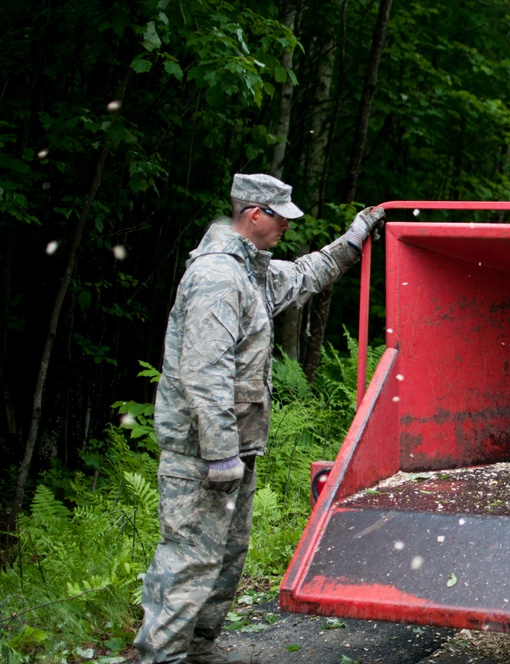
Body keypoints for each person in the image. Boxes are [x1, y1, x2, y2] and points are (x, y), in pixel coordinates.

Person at [134, 174, 384, 664]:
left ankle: (199, 651)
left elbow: (307, 275)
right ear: (254, 215)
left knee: (226, 560)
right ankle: (159, 657)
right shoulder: (217, 278)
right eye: (280, 219)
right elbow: (204, 372)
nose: (286, 228)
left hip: (233, 453)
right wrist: (220, 451)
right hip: (203, 456)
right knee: (189, 562)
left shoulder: (251, 273)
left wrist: (353, 240)